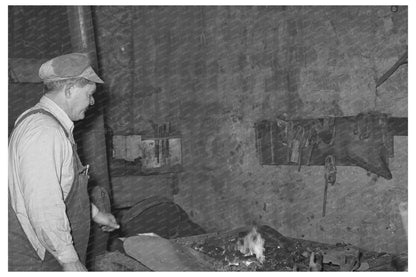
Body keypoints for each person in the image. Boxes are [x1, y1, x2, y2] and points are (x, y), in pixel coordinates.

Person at [8, 53, 120, 271]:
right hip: (36, 258)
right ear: (70, 90)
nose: (92, 101)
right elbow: (44, 203)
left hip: (42, 251)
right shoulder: (45, 132)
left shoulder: (41, 122)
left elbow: (61, 188)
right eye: (89, 94)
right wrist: (69, 260)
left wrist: (97, 215)